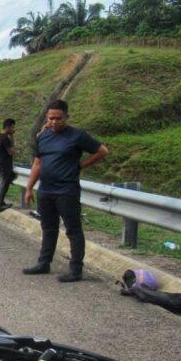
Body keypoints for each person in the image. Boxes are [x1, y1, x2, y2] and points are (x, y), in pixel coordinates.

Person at [23, 100, 109, 282]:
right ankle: (44, 263)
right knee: (48, 228)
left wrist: (81, 165)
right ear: (47, 118)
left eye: (58, 118)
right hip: (45, 190)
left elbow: (102, 151)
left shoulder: (77, 136)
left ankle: (76, 270)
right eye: (51, 118)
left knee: (73, 231)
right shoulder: (43, 137)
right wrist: (29, 187)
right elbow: (38, 163)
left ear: (67, 117)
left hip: (66, 191)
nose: (54, 122)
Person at [0, 119, 16, 212]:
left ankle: (1, 202)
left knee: (6, 182)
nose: (14, 129)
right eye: (13, 127)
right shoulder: (5, 138)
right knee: (3, 184)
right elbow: (11, 152)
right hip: (3, 164)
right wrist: (12, 137)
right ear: (8, 126)